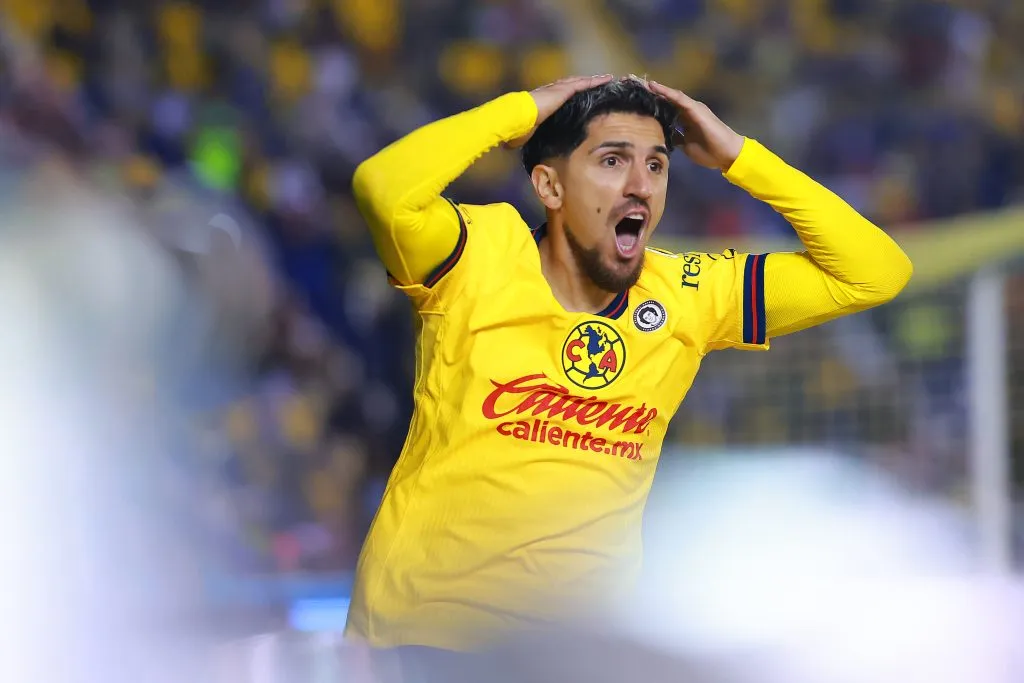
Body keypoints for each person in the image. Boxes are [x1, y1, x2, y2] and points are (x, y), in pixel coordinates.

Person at [345, 74, 912, 673]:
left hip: (582, 649)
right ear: (550, 185)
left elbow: (875, 271)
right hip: (426, 632)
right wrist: (523, 111)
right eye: (612, 161)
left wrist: (739, 158)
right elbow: (382, 188)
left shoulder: (690, 292)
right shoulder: (476, 253)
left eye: (658, 166)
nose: (641, 185)